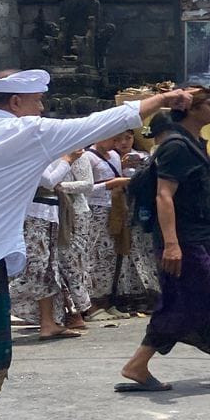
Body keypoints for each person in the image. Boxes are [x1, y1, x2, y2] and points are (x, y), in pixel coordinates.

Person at [0, 72, 190, 420]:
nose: (42, 108)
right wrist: (164, 99)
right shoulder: (30, 133)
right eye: (38, 101)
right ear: (16, 103)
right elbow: (108, 120)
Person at [116, 88, 210, 393]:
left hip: (199, 238)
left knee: (196, 300)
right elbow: (164, 195)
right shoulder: (175, 146)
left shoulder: (192, 144)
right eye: (207, 105)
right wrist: (172, 244)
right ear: (191, 111)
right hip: (185, 241)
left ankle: (139, 365)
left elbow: (203, 178)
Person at [7, 156, 76, 340]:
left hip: (48, 213)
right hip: (33, 214)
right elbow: (48, 180)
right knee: (34, 269)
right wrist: (68, 160)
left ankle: (48, 323)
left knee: (47, 271)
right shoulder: (34, 148)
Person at [83, 132, 133, 312]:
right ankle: (93, 301)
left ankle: (109, 298)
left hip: (115, 207)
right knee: (96, 254)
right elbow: (85, 188)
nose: (116, 143)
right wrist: (110, 184)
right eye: (114, 138)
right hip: (96, 208)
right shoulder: (88, 157)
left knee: (113, 254)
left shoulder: (114, 156)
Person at [56, 148, 96, 331]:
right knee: (57, 264)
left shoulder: (78, 154)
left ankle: (76, 311)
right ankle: (63, 312)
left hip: (76, 214)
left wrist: (58, 186)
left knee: (72, 263)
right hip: (54, 212)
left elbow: (87, 184)